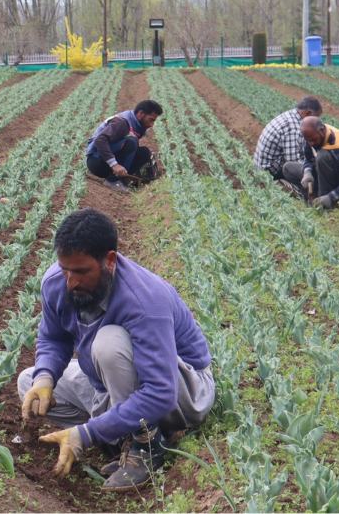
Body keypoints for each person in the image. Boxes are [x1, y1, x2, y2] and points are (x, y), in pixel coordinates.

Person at [19, 208, 214, 492]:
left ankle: (146, 444)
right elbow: (53, 339)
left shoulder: (144, 299)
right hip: (111, 382)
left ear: (109, 260)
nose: (71, 281)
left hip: (182, 389)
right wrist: (45, 379)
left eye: (81, 271)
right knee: (28, 381)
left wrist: (85, 434)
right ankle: (118, 431)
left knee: (108, 342)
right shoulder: (57, 284)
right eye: (65, 270)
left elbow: (160, 391)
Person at [283, 116, 339, 210]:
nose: (311, 143)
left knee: (322, 156)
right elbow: (308, 159)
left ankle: (325, 202)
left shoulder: (338, 147)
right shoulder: (311, 135)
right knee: (288, 168)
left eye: (313, 140)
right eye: (308, 140)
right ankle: (312, 199)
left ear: (322, 130)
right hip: (324, 170)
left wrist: (330, 197)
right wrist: (307, 172)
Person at [85, 100, 164, 193]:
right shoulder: (122, 122)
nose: (152, 124)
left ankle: (122, 179)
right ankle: (113, 181)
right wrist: (114, 165)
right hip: (96, 161)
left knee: (144, 153)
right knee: (132, 142)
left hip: (106, 161)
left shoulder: (138, 125)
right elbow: (100, 140)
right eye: (151, 119)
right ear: (141, 113)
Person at [254, 95, 323, 182]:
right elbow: (292, 162)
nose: (316, 121)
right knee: (311, 175)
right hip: (268, 173)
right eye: (316, 117)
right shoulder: (293, 128)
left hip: (262, 164)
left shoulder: (292, 116)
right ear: (307, 113)